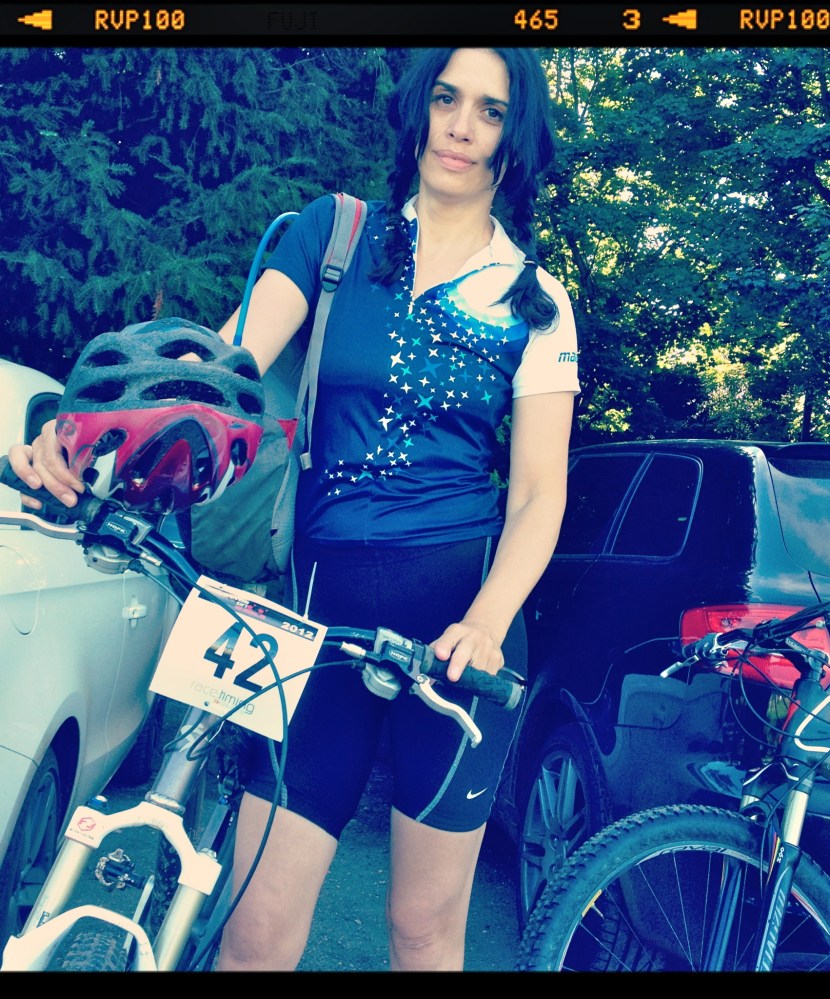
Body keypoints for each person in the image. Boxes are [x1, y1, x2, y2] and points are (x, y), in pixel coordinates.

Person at [9, 47, 579, 971]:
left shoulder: (534, 302)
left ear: (517, 136)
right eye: (446, 98)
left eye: (490, 110)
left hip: (459, 639)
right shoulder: (337, 235)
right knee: (254, 936)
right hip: (314, 622)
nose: (461, 126)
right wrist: (81, 436)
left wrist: (486, 621)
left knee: (422, 932)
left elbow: (541, 494)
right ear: (419, 108)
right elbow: (217, 381)